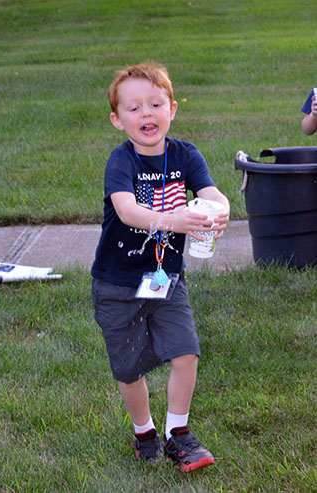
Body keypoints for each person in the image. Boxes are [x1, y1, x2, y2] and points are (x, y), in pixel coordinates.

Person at [91, 62, 230, 472]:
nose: (146, 114)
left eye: (155, 104)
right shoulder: (121, 163)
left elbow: (211, 192)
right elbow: (128, 210)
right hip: (117, 282)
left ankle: (179, 434)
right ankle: (145, 433)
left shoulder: (186, 155)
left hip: (166, 279)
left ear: (172, 108)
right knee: (130, 367)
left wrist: (219, 212)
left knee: (186, 352)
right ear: (117, 120)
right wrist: (173, 220)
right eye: (133, 108)